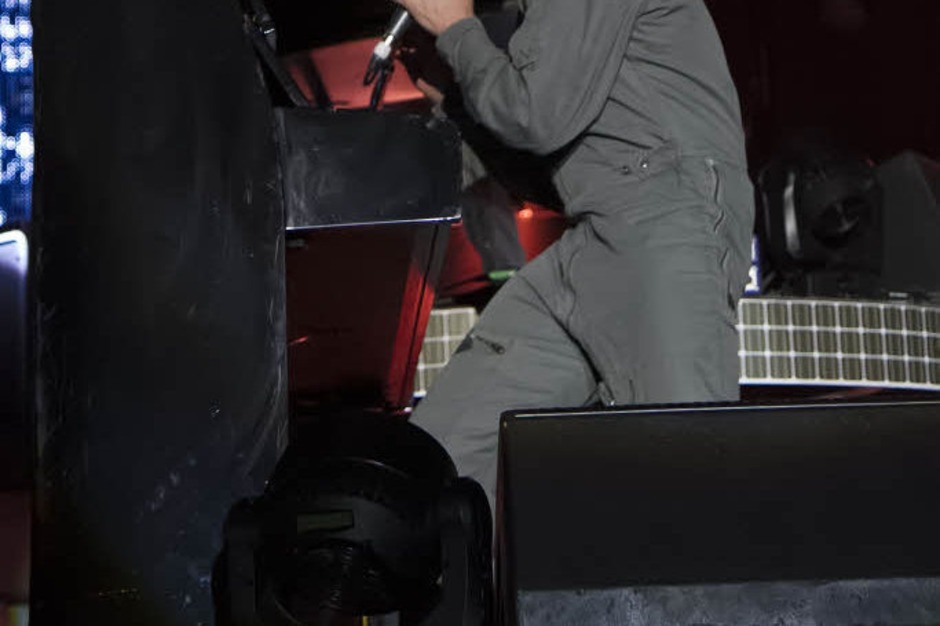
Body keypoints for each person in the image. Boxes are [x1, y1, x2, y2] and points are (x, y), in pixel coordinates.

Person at [399, 0, 755, 513]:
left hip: (664, 227)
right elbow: (547, 169)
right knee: (443, 458)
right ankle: (435, 543)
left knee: (690, 488)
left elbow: (536, 118)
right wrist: (461, 100)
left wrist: (458, 32)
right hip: (592, 237)